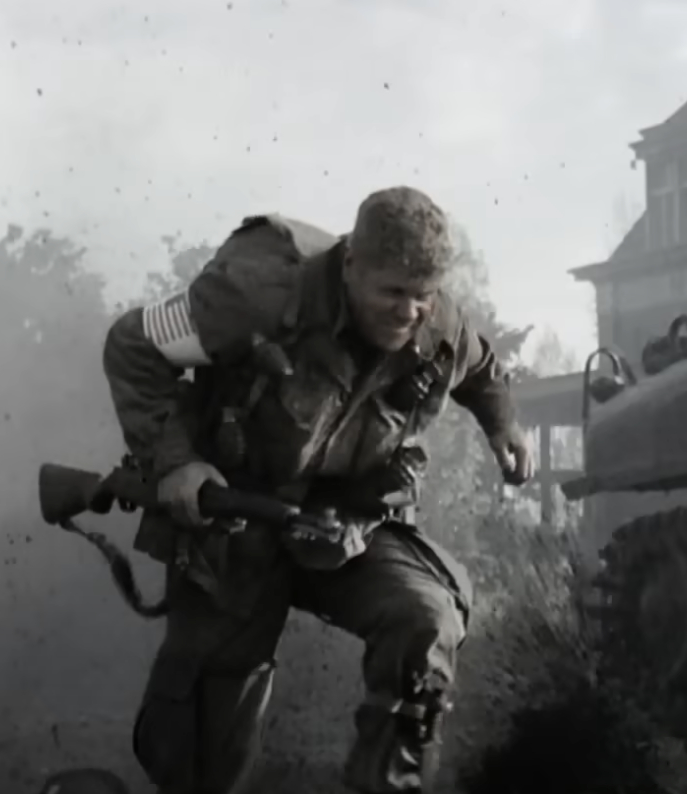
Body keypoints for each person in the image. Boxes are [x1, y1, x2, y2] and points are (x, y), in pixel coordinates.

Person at [101, 186, 534, 794]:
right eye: (393, 292)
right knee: (204, 761)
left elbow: (482, 367)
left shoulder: (437, 322)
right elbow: (134, 345)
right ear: (352, 262)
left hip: (345, 528)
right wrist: (175, 464)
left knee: (426, 618)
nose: (410, 311)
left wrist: (502, 424)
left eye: (423, 295)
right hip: (235, 522)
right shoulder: (255, 296)